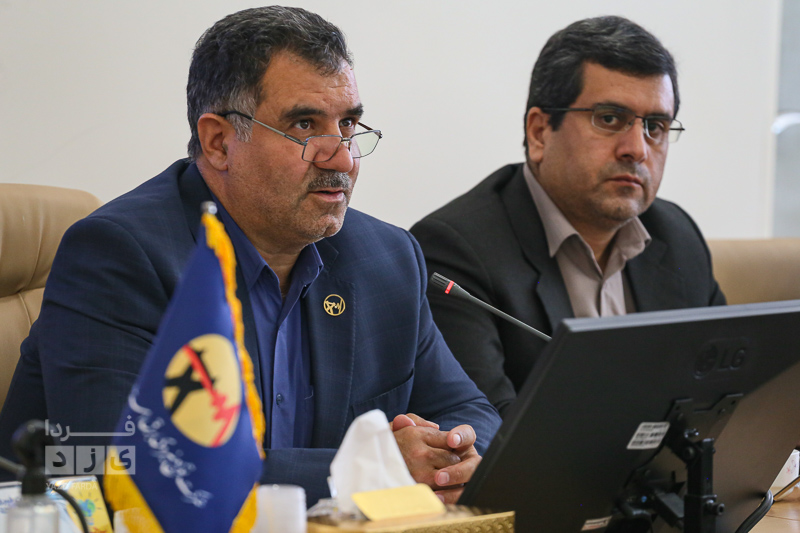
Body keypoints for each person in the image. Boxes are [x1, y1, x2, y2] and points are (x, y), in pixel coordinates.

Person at [0, 6, 500, 505]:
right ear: (219, 142)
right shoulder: (120, 255)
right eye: (305, 125)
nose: (343, 157)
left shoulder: (385, 258)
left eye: (348, 124)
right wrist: (370, 468)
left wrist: (452, 452)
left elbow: (469, 410)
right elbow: (117, 460)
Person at [410, 16, 726, 417]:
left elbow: (725, 397)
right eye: (609, 119)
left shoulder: (677, 235)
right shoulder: (456, 250)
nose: (637, 149)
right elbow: (486, 428)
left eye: (655, 126)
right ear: (540, 132)